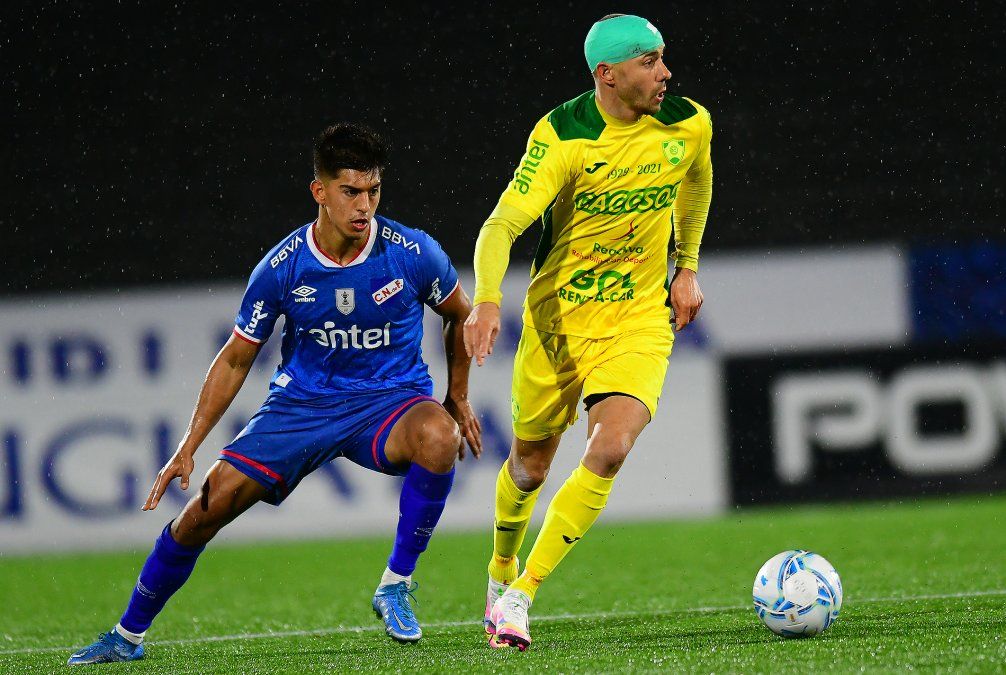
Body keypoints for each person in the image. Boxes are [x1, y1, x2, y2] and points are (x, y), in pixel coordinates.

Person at [68, 123, 482, 665]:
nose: (364, 206)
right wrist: (189, 445)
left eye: (373, 191)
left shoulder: (413, 252)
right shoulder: (283, 268)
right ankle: (127, 637)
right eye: (350, 192)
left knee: (439, 436)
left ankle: (396, 583)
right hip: (301, 407)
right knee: (202, 513)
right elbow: (237, 356)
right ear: (319, 191)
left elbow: (459, 316)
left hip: (389, 401)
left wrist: (458, 397)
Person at [463, 13, 712, 651]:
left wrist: (685, 270)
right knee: (528, 466)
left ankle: (524, 595)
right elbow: (500, 226)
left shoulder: (689, 124)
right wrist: (488, 301)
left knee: (611, 445)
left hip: (637, 317)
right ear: (607, 74)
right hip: (559, 321)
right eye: (650, 61)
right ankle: (499, 570)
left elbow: (695, 189)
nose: (666, 72)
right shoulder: (563, 135)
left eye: (662, 58)